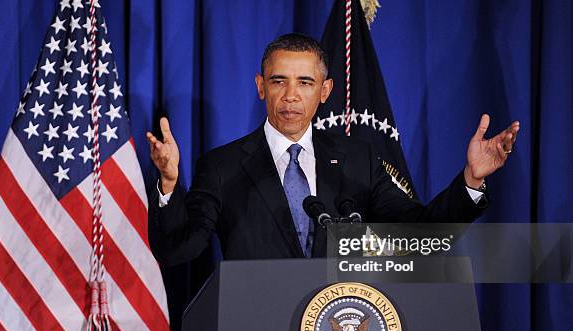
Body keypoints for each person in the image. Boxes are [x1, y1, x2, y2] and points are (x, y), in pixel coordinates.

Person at [146, 33, 519, 266]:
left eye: (305, 82)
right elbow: (180, 250)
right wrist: (168, 183)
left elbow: (418, 234)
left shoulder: (358, 159)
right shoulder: (222, 165)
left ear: (324, 92)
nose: (291, 95)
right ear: (261, 87)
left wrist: (471, 180)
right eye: (279, 81)